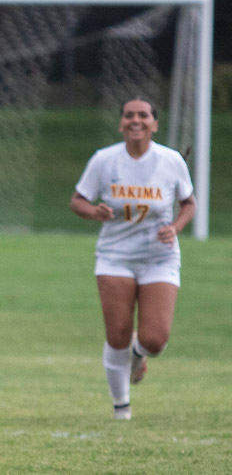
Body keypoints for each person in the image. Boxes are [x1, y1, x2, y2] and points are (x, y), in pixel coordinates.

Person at [70, 97, 196, 420]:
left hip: (159, 257)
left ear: (155, 124)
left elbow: (189, 203)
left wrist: (176, 227)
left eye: (143, 115)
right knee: (117, 334)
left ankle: (139, 355)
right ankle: (121, 408)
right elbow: (78, 201)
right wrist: (93, 211)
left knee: (155, 339)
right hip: (115, 256)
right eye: (129, 115)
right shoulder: (104, 160)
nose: (135, 120)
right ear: (121, 123)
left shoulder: (170, 161)